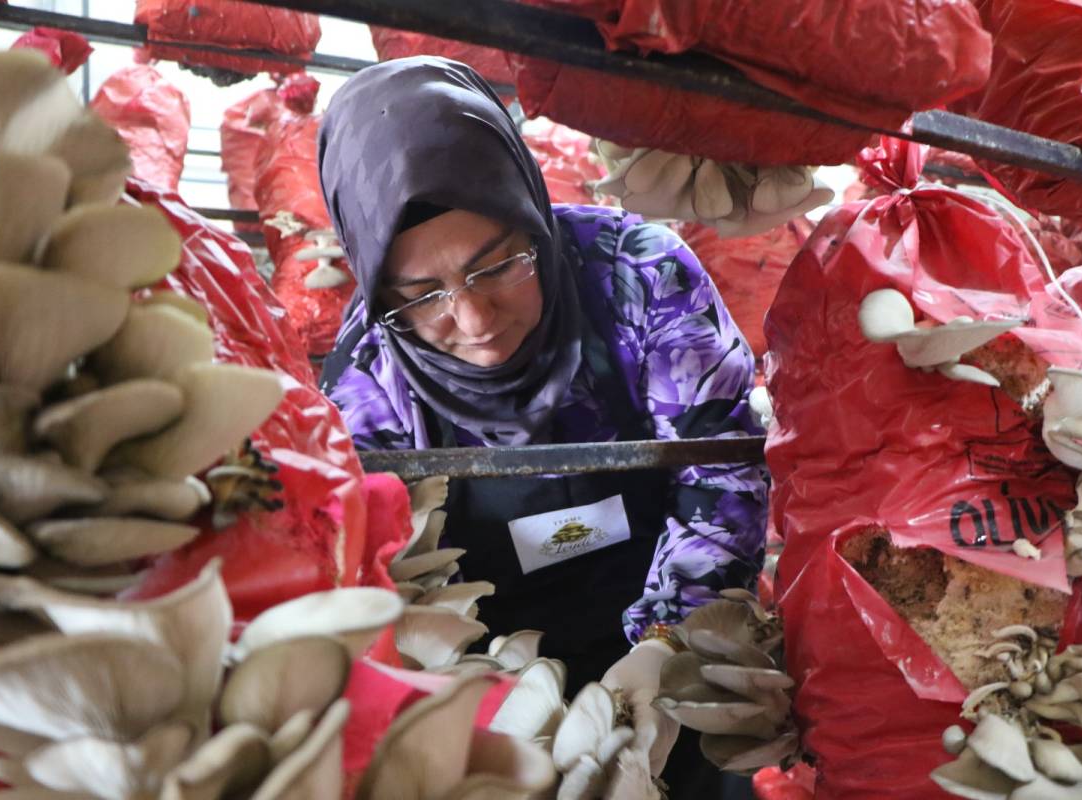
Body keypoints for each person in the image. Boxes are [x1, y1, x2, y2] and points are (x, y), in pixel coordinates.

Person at [318, 56, 767, 797]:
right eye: (422, 295)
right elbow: (385, 570)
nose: (473, 319)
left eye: (498, 265)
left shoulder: (640, 276)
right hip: (494, 678)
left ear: (527, 207)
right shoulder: (369, 370)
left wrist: (667, 643)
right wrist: (484, 693)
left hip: (676, 639)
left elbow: (722, 466)